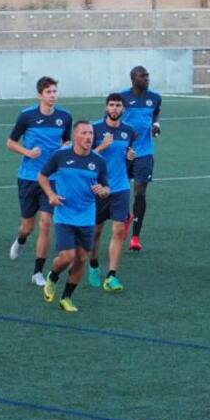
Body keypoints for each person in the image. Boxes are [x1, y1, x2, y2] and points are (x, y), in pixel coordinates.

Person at [7, 76, 73, 286]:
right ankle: (21, 239)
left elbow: (67, 141)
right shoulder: (27, 116)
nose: (52, 95)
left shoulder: (65, 116)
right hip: (28, 177)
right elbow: (10, 142)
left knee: (46, 223)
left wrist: (66, 148)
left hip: (52, 178)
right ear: (40, 95)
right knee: (28, 226)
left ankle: (37, 272)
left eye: (55, 91)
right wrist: (28, 151)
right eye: (48, 92)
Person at [39, 121, 110, 313]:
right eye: (84, 133)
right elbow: (43, 176)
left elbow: (106, 187)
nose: (89, 137)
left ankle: (66, 298)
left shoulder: (98, 161)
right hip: (64, 215)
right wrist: (51, 195)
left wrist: (102, 191)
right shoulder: (60, 156)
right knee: (67, 256)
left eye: (91, 133)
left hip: (87, 217)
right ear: (76, 136)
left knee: (80, 259)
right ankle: (53, 276)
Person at [89, 94, 138, 292]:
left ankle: (111, 276)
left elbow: (126, 161)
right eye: (111, 105)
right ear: (106, 107)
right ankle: (93, 265)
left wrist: (130, 157)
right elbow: (84, 156)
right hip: (98, 189)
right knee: (96, 231)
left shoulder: (129, 131)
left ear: (123, 109)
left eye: (118, 105)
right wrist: (101, 146)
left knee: (118, 231)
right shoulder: (94, 129)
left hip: (121, 188)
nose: (114, 109)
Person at [119, 66, 162, 252]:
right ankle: (124, 218)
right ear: (133, 78)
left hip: (144, 152)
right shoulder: (122, 98)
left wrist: (156, 124)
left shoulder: (154, 97)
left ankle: (135, 237)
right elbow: (111, 119)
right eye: (142, 76)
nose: (147, 78)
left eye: (147, 75)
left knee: (140, 191)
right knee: (119, 189)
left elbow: (155, 112)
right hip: (123, 151)